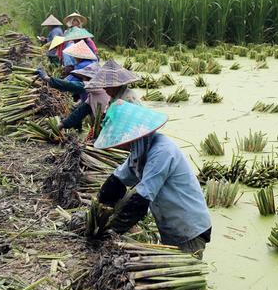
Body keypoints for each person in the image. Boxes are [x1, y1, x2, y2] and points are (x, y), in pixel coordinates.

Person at [91, 100, 212, 259]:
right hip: (170, 225)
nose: (121, 146)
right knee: (168, 272)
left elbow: (141, 200)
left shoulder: (161, 152)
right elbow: (119, 179)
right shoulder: (140, 150)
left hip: (189, 228)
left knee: (179, 277)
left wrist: (113, 231)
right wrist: (100, 206)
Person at [58, 59, 141, 133]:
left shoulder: (128, 98)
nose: (105, 90)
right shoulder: (112, 98)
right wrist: (63, 124)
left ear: (115, 85)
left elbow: (130, 125)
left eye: (107, 87)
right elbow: (81, 112)